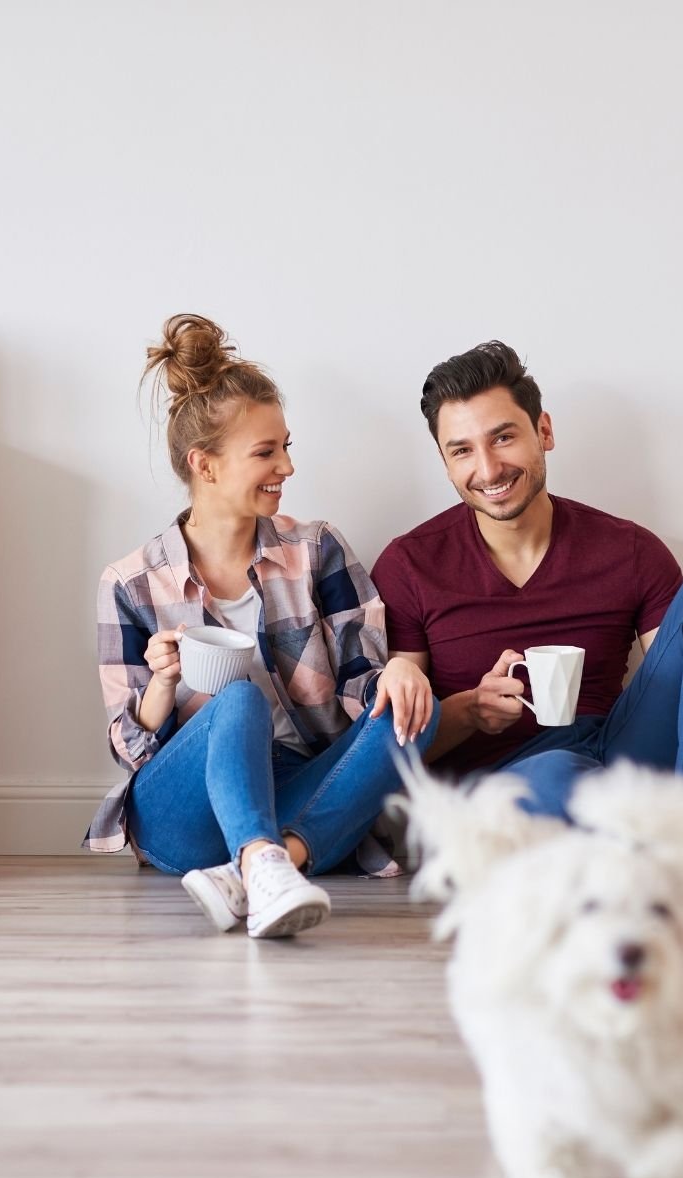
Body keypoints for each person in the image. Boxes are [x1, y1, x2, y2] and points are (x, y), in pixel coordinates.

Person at [371, 341, 683, 909]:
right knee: (558, 778)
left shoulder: (627, 550)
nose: (487, 469)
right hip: (499, 792)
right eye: (461, 450)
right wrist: (470, 711)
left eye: (504, 437)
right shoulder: (410, 564)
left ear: (544, 431)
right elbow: (390, 750)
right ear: (444, 461)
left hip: (617, 756)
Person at [85, 315, 437, 938]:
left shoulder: (318, 549)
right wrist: (163, 689)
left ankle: (260, 870)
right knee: (238, 698)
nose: (287, 466)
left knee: (416, 709)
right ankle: (265, 859)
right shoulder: (131, 583)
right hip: (183, 812)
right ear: (207, 465)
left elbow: (363, 683)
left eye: (286, 446)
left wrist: (398, 679)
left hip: (295, 789)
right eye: (266, 452)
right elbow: (126, 748)